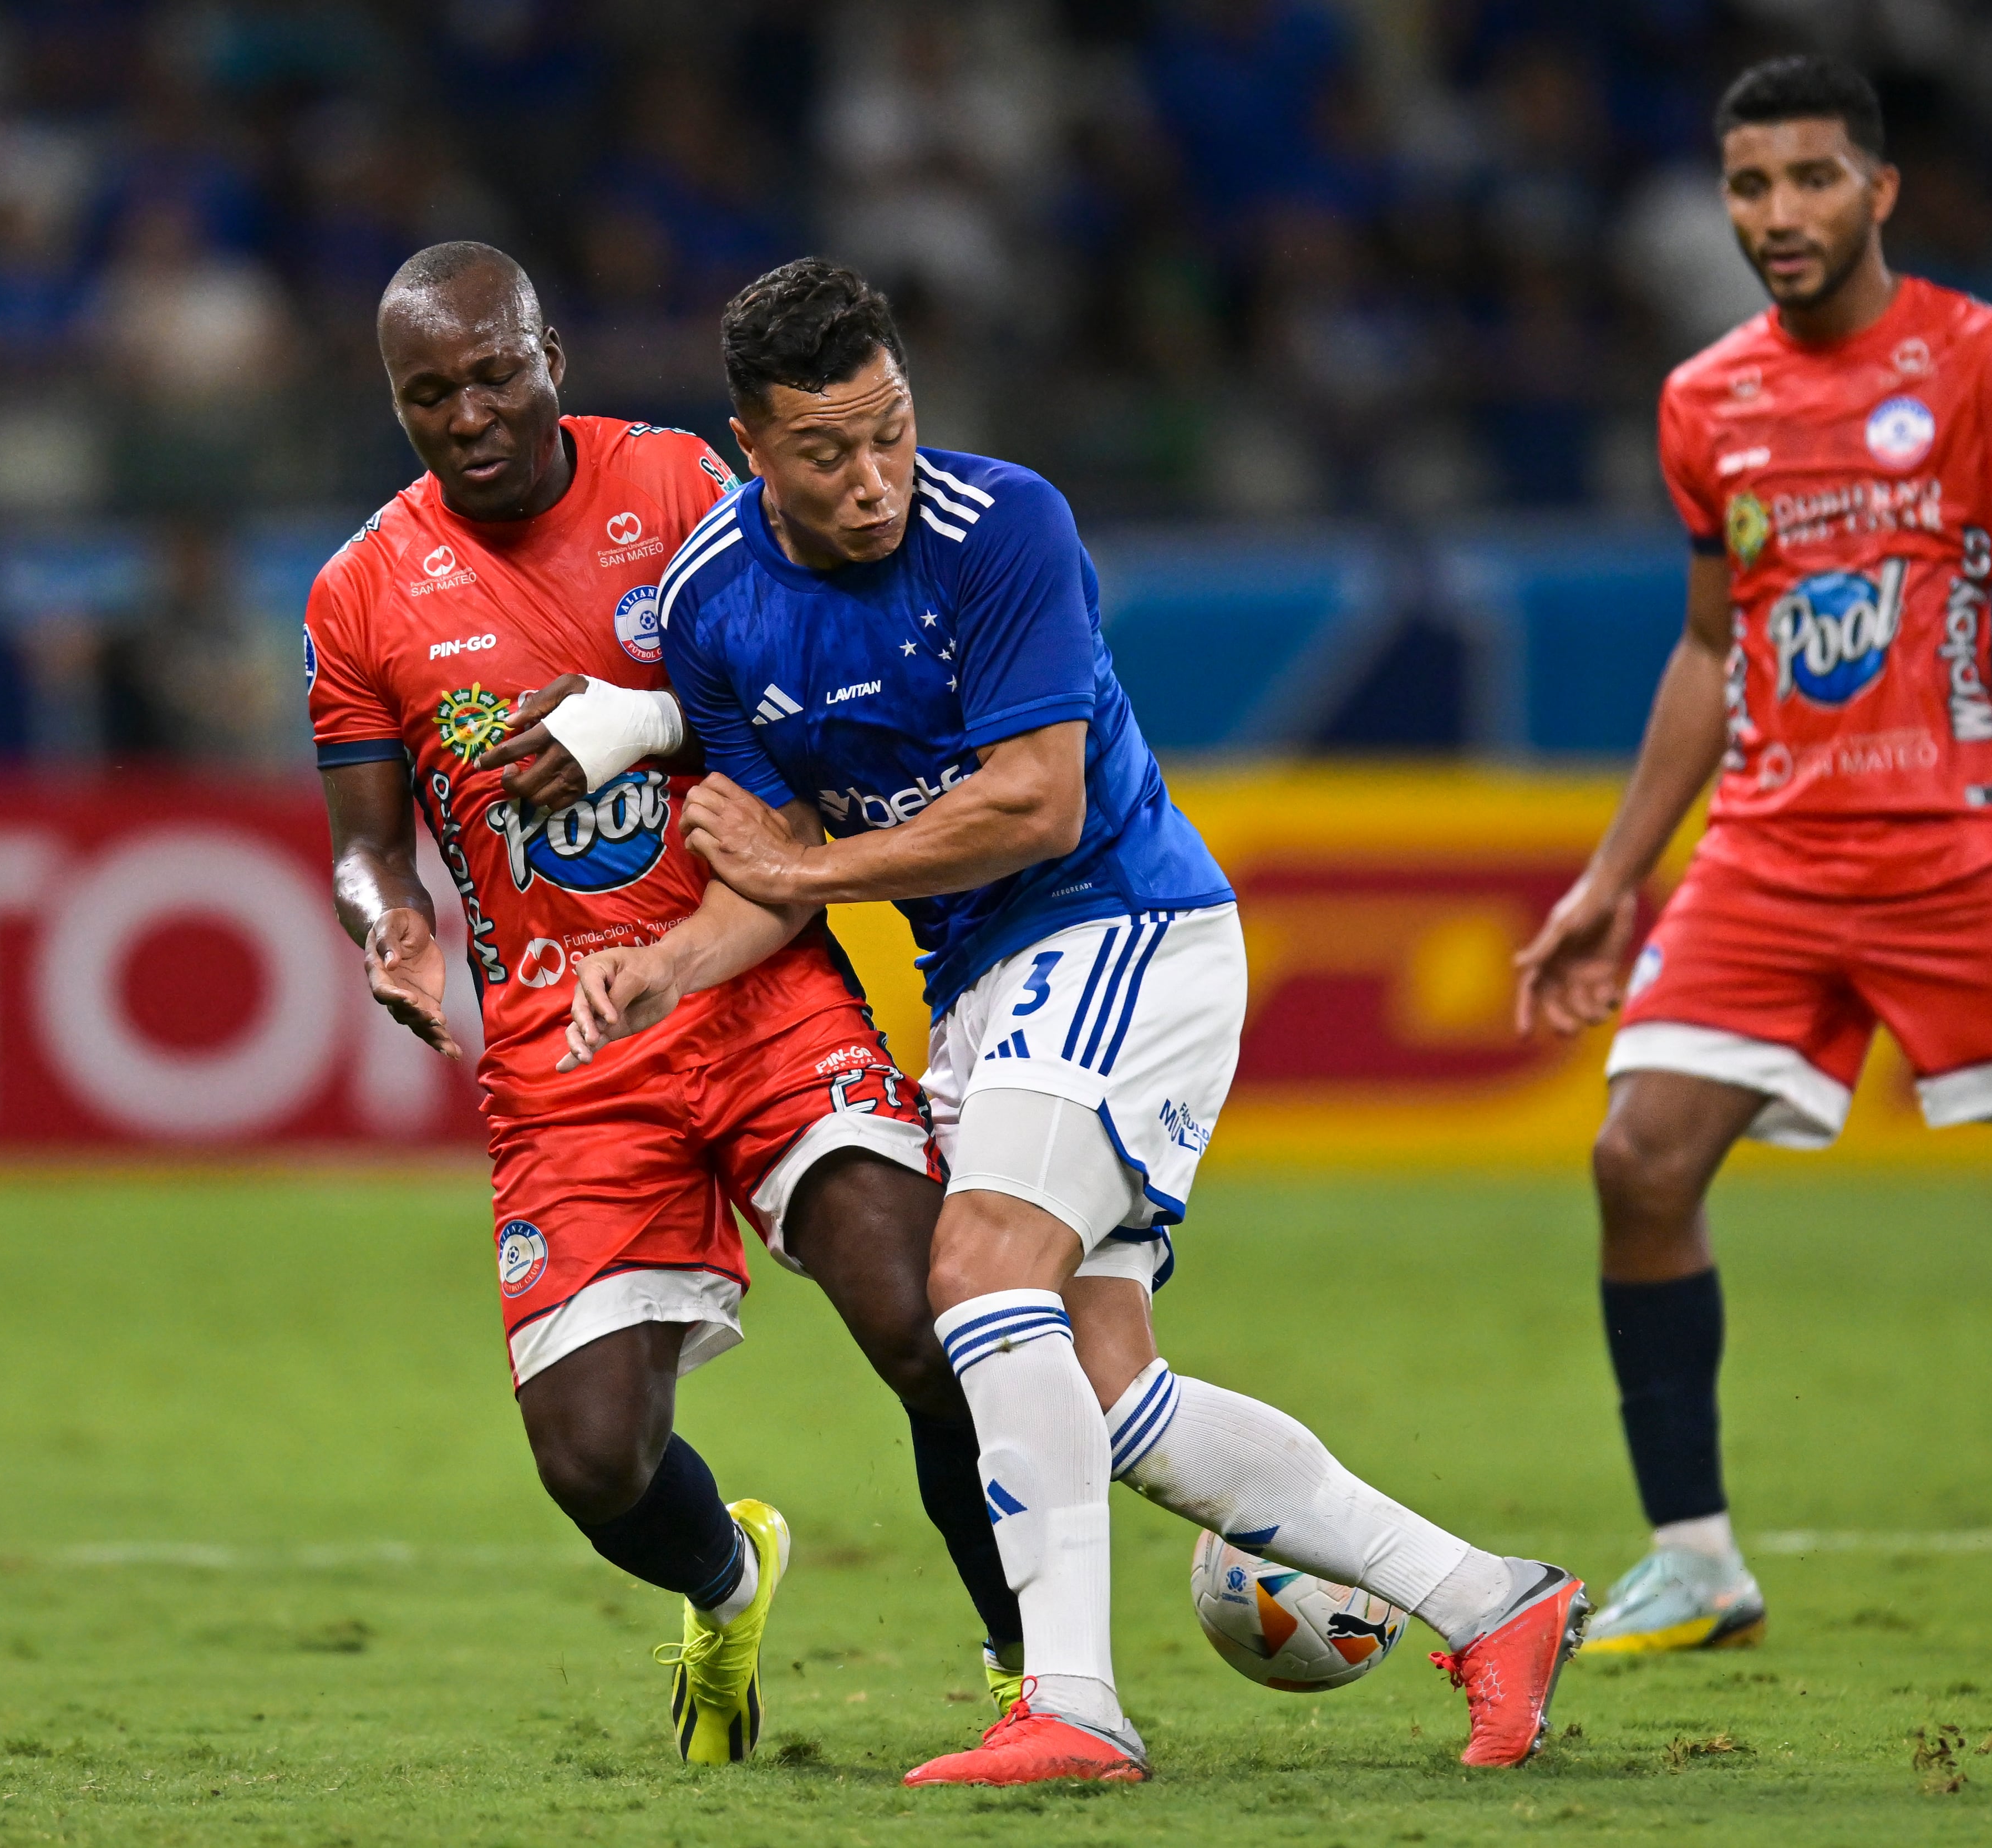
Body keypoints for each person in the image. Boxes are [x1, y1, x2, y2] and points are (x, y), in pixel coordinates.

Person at [558, 258, 1587, 1786]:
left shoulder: (1007, 525)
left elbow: (1037, 806)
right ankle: (1494, 1604)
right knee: (1108, 1399)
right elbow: (766, 879)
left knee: (973, 1276)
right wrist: (665, 967)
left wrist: (811, 868)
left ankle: (1075, 1706)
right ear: (751, 445)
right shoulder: (714, 603)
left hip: (1120, 927)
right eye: (827, 452)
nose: (872, 479)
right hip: (985, 987)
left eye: (891, 429)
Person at [1512, 58, 1992, 1657]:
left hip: (1964, 850)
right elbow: (1713, 652)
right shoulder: (1704, 400)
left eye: (1807, 181)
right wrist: (1611, 876)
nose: (1776, 216)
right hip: (1769, 855)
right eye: (1747, 188)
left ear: (1880, 190)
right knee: (1635, 1161)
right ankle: (1700, 1555)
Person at [307, 242, 1021, 1766]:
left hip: (757, 983)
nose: (469, 412)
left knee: (924, 1320)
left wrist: (634, 725)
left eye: (495, 372)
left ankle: (1033, 1667)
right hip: (570, 1057)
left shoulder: (682, 487)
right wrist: (389, 936)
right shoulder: (362, 591)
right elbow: (368, 850)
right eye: (428, 394)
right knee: (593, 1462)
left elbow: (796, 662)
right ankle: (724, 1580)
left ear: (551, 353)